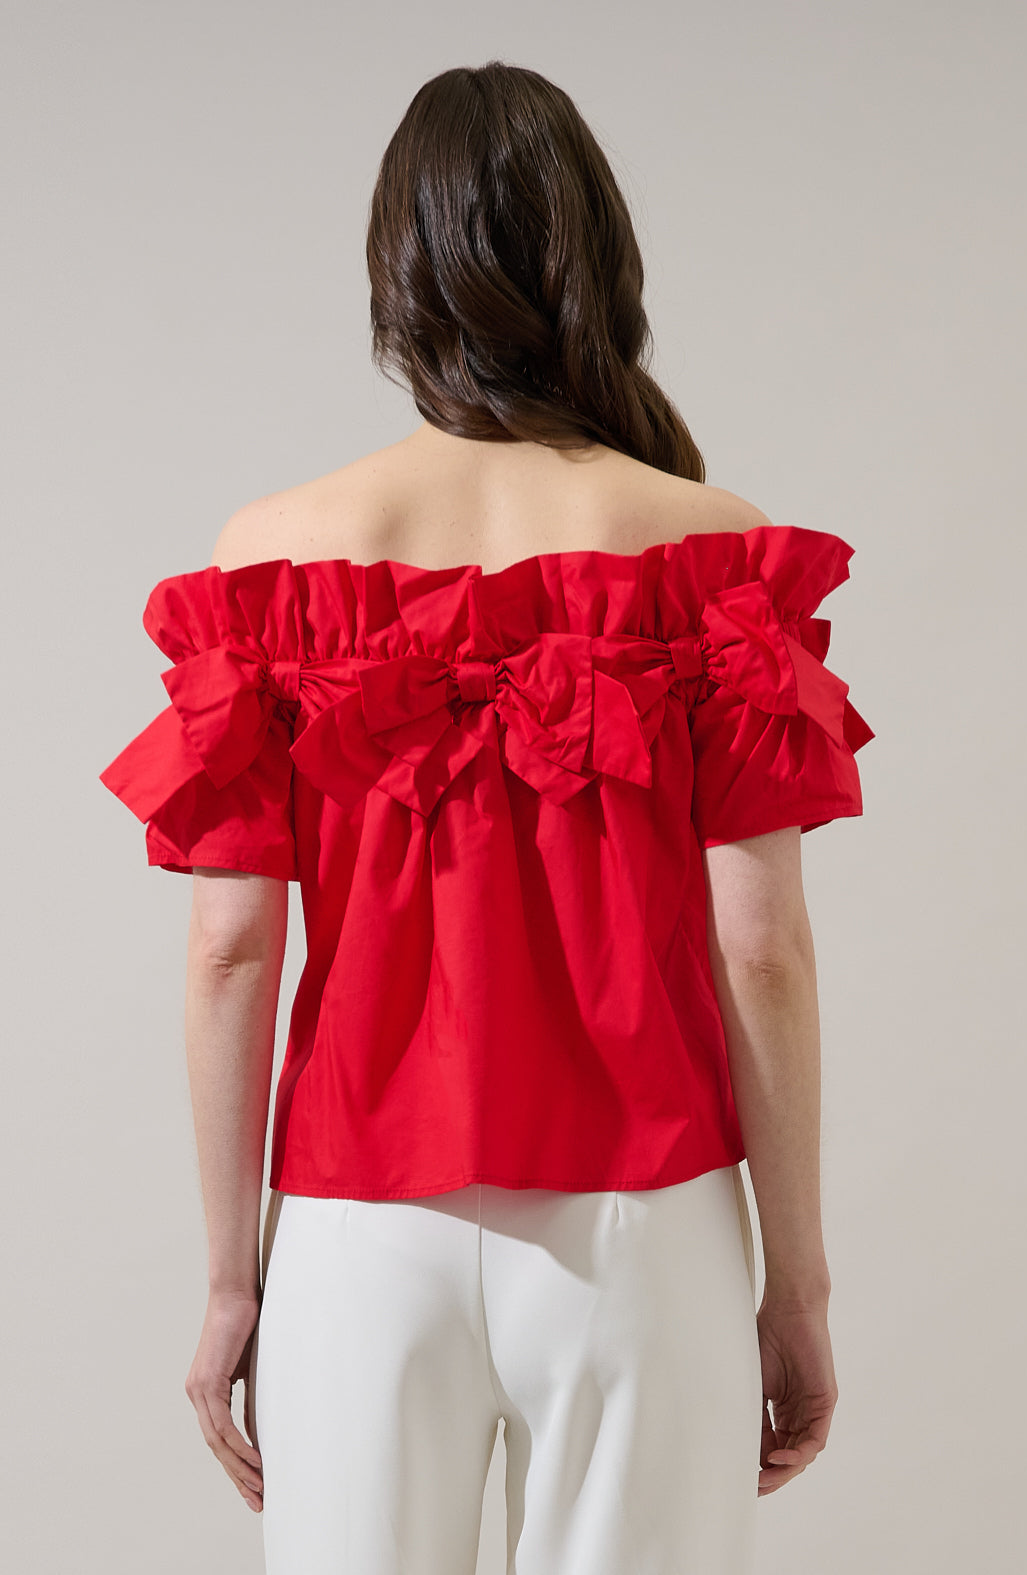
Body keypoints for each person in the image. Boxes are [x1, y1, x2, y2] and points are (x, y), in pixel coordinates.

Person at [99, 59, 874, 1575]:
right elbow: (765, 949)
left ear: (399, 266)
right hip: (644, 1229)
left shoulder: (271, 561)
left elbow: (230, 952)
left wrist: (232, 1281)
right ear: (598, 257)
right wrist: (797, 1285)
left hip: (355, 1226)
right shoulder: (714, 552)